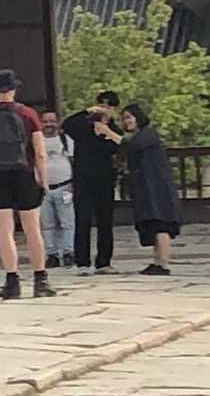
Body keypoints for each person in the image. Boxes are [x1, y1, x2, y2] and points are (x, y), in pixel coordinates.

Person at [0, 68, 54, 301]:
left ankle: (12, 281)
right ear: (14, 89)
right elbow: (40, 151)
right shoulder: (28, 114)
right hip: (24, 174)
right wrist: (43, 180)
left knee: (5, 231)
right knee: (32, 229)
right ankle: (40, 280)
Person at [63, 91, 124, 275]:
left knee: (105, 221)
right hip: (83, 178)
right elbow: (66, 125)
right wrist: (86, 112)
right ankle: (82, 262)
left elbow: (120, 145)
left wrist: (106, 131)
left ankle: (104, 262)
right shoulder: (83, 125)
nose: (105, 109)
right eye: (102, 105)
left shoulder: (114, 130)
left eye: (109, 107)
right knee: (82, 220)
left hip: (105, 179)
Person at [120, 104, 182, 276]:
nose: (126, 121)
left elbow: (131, 145)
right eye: (124, 118)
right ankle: (156, 261)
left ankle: (163, 263)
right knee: (153, 224)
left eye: (129, 117)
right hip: (146, 188)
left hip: (158, 187)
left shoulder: (148, 134)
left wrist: (108, 132)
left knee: (162, 223)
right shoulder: (139, 136)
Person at [39, 111, 78, 269]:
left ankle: (68, 252)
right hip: (42, 189)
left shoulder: (66, 140)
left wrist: (75, 183)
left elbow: (74, 160)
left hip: (64, 186)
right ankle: (52, 254)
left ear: (58, 123)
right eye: (45, 121)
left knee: (67, 222)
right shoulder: (36, 140)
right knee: (47, 225)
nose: (49, 124)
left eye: (52, 121)